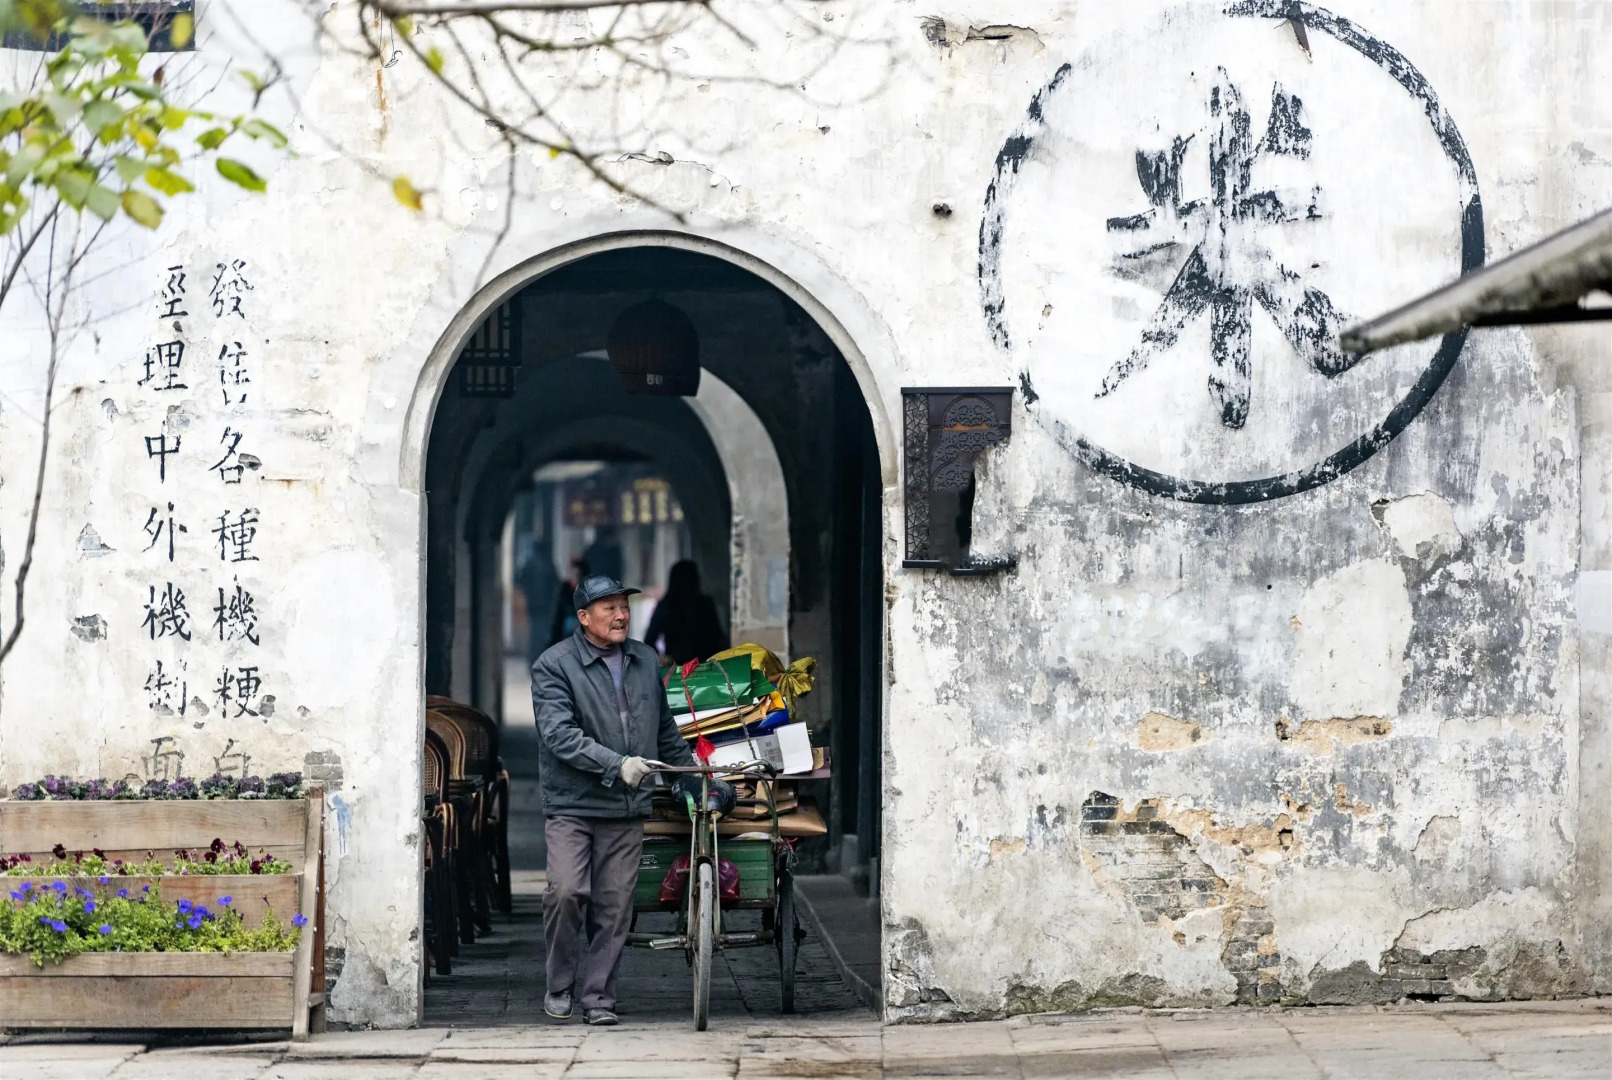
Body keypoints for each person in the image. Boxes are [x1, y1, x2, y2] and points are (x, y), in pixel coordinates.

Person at [530, 574, 697, 1027]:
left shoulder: (643, 659)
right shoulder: (554, 665)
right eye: (609, 608)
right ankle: (559, 984)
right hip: (573, 805)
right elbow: (558, 735)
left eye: (624, 606)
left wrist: (690, 777)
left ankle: (599, 997)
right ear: (583, 618)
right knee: (566, 892)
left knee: (614, 906)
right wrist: (616, 763)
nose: (621, 615)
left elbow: (663, 729)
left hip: (626, 807)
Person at [644, 559, 729, 665]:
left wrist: (663, 659)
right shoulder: (705, 604)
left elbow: (649, 641)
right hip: (706, 666)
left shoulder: (666, 606)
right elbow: (719, 638)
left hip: (677, 668)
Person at [516, 540, 562, 663]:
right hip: (547, 606)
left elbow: (520, 580)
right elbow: (556, 584)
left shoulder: (529, 563)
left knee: (534, 634)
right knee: (544, 634)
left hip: (533, 605)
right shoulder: (549, 564)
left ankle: (532, 659)